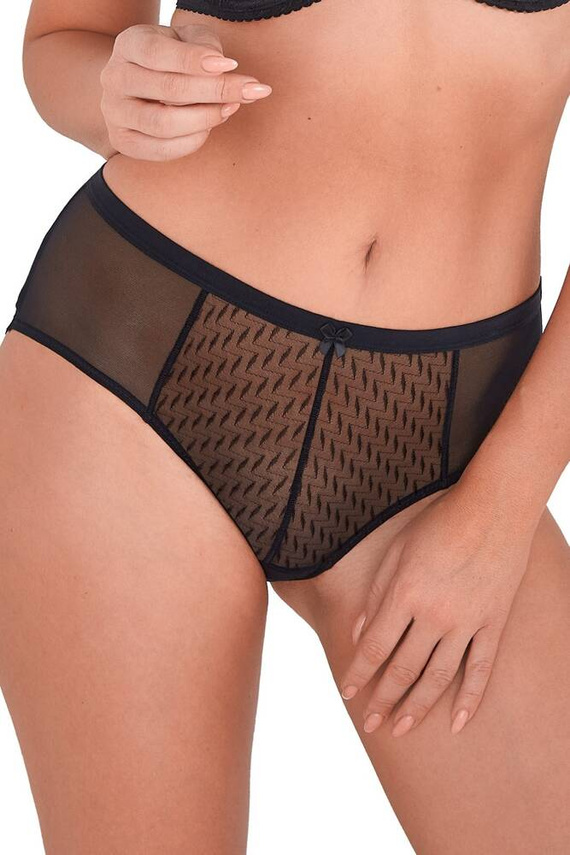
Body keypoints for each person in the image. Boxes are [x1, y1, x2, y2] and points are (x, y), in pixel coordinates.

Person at [0, 0, 569, 852]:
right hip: (135, 359)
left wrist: (500, 512)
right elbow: (61, 45)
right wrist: (112, 93)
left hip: (451, 436)